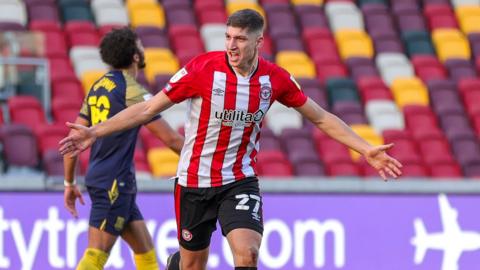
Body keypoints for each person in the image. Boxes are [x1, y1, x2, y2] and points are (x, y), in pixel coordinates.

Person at [60, 9, 402, 270]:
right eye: (227, 37)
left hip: (238, 180)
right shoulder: (202, 70)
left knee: (247, 253)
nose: (231, 45)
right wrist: (94, 131)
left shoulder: (275, 79)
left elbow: (321, 117)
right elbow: (147, 109)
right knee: (192, 264)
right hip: (193, 183)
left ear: (258, 42)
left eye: (239, 39)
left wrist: (366, 148)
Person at [62, 27, 184, 270]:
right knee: (96, 255)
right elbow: (170, 139)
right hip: (115, 182)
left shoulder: (97, 87)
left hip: (103, 177)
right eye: (140, 45)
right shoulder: (133, 91)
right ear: (136, 56)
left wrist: (69, 183)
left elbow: (72, 140)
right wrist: (207, 159)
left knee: (146, 252)